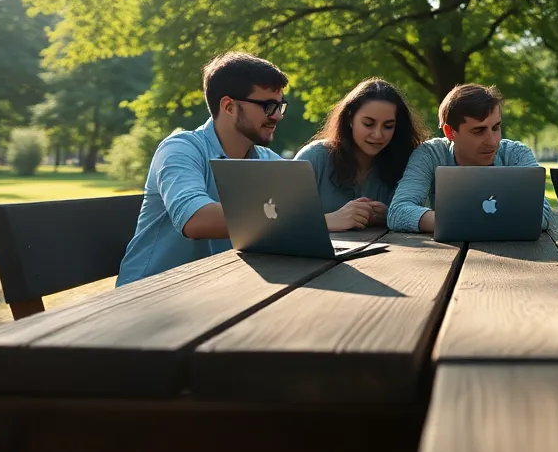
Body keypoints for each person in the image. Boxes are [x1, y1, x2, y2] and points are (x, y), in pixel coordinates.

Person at [116, 52, 289, 286]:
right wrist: (310, 221)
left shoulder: (267, 160)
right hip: (147, 296)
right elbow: (196, 219)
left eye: (280, 106)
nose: (277, 116)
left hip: (214, 290)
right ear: (229, 106)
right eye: (268, 106)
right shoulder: (180, 149)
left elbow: (298, 206)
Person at [387, 83, 552, 233]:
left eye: (496, 127)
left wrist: (456, 222)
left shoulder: (516, 153)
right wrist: (484, 222)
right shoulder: (430, 154)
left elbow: (540, 214)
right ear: (450, 132)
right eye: (478, 131)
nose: (492, 141)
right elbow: (398, 212)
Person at [294, 78, 429, 232]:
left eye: (388, 126)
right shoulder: (314, 157)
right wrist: (329, 220)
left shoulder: (407, 163)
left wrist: (392, 217)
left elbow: (422, 213)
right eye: (368, 124)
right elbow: (281, 220)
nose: (378, 135)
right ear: (350, 118)